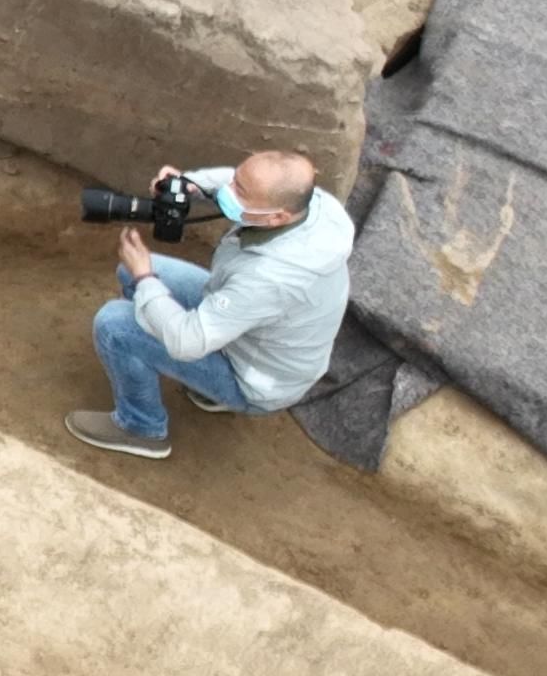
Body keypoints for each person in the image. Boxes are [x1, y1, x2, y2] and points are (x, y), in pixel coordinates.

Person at [72, 150, 357, 459]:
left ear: (277, 217)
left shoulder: (270, 279)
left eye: (240, 192)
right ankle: (201, 383)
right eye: (236, 182)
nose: (228, 192)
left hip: (254, 381)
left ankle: (141, 428)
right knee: (134, 273)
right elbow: (238, 182)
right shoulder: (313, 206)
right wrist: (191, 183)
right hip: (254, 335)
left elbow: (187, 342)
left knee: (115, 326)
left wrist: (145, 278)